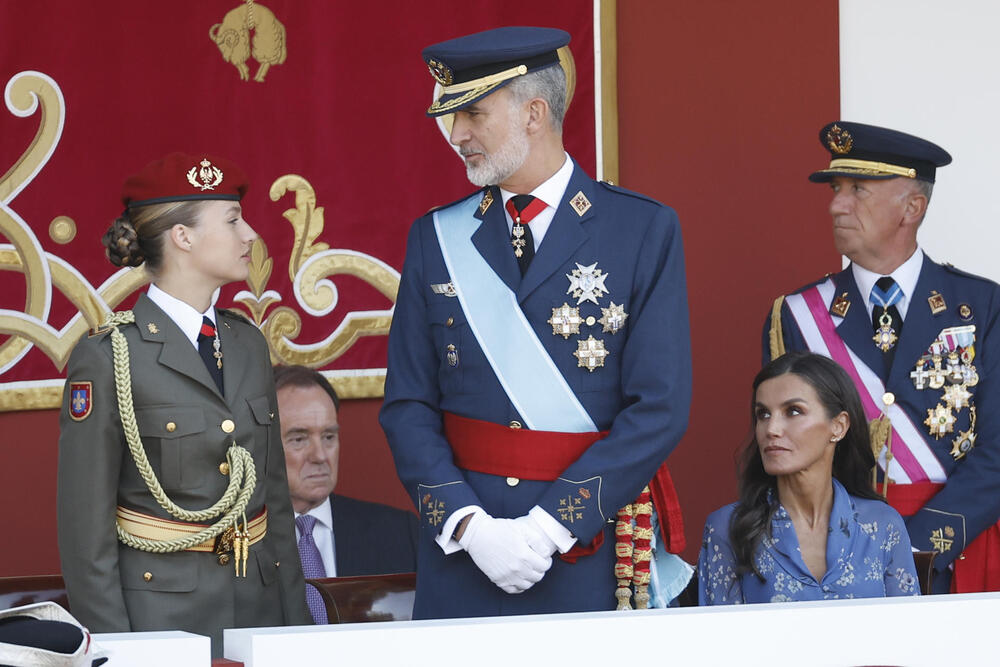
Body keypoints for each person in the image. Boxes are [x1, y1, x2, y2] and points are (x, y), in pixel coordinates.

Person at [379, 26, 692, 619]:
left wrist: (551, 528)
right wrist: (470, 526)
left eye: (473, 112)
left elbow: (659, 405)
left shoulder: (641, 230)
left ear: (534, 112)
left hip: (586, 548)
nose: (458, 134)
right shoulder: (435, 236)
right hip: (464, 555)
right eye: (452, 115)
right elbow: (408, 405)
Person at [57, 152, 311, 656]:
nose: (251, 236)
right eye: (234, 220)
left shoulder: (246, 343)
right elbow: (86, 538)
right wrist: (117, 652)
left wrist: (294, 630)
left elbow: (275, 506)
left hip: (258, 613)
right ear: (183, 236)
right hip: (162, 621)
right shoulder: (110, 357)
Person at [764, 121, 1000, 593]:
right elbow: (784, 447)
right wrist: (850, 548)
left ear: (912, 207)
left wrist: (920, 546)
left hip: (958, 551)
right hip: (836, 558)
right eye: (836, 189)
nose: (836, 205)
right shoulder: (797, 314)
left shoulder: (981, 306)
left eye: (858, 190)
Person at [699, 352, 919, 604]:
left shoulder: (882, 525)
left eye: (793, 411)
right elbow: (721, 639)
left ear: (838, 426)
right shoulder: (727, 529)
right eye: (763, 414)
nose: (771, 429)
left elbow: (909, 634)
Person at [273, 365, 419, 623]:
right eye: (299, 439)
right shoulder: (238, 541)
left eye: (328, 437)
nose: (320, 456)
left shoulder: (400, 534)